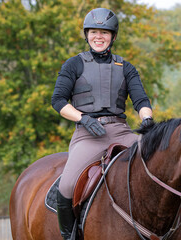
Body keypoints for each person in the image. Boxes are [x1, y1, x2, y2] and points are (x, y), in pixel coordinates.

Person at [51, 8, 153, 240]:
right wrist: (83, 118)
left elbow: (141, 100)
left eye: (104, 32)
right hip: (88, 134)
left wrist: (147, 120)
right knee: (66, 186)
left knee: (160, 165)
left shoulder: (126, 67)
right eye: (94, 32)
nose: (99, 37)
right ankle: (69, 236)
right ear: (87, 35)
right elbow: (58, 101)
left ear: (113, 36)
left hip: (121, 131)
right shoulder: (73, 64)